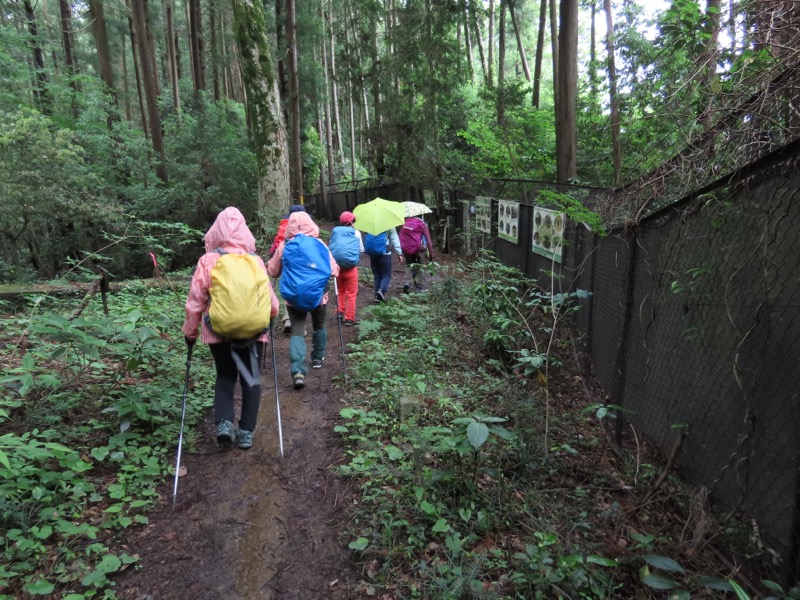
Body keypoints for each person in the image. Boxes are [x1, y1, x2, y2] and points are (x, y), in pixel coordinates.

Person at [182, 207, 279, 450]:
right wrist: (267, 322)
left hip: (217, 331)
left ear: (216, 230)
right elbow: (272, 304)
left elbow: (195, 302)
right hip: (253, 332)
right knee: (251, 380)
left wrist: (190, 332)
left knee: (225, 376)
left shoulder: (208, 260)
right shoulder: (256, 261)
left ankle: (224, 424)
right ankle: (246, 432)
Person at [268, 211, 339, 390]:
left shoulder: (284, 245)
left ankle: (298, 371)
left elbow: (273, 271)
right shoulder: (319, 243)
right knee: (319, 325)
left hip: (294, 297)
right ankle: (317, 357)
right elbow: (333, 270)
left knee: (297, 332)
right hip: (318, 296)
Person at [269, 204, 307, 335]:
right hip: (301, 260)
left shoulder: (284, 225)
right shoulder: (306, 225)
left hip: (284, 257)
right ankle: (298, 322)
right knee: (301, 287)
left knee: (288, 287)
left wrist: (272, 257)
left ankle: (288, 319)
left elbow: (275, 244)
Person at [330, 211, 364, 326]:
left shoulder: (335, 232)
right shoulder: (356, 233)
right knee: (351, 293)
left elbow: (332, 246)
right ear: (351, 221)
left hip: (338, 267)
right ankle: (349, 318)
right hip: (351, 268)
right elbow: (361, 249)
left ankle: (339, 312)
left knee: (340, 291)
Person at [364, 226, 404, 303]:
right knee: (386, 275)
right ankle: (381, 291)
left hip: (373, 253)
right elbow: (394, 239)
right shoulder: (389, 225)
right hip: (385, 253)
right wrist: (399, 253)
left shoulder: (370, 224)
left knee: (377, 275)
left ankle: (377, 296)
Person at [399, 215, 434, 293]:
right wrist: (431, 254)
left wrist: (401, 251)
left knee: (409, 266)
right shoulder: (422, 224)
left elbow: (402, 237)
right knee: (420, 267)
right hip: (419, 249)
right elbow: (428, 241)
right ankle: (419, 287)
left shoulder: (405, 223)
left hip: (407, 248)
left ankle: (407, 283)